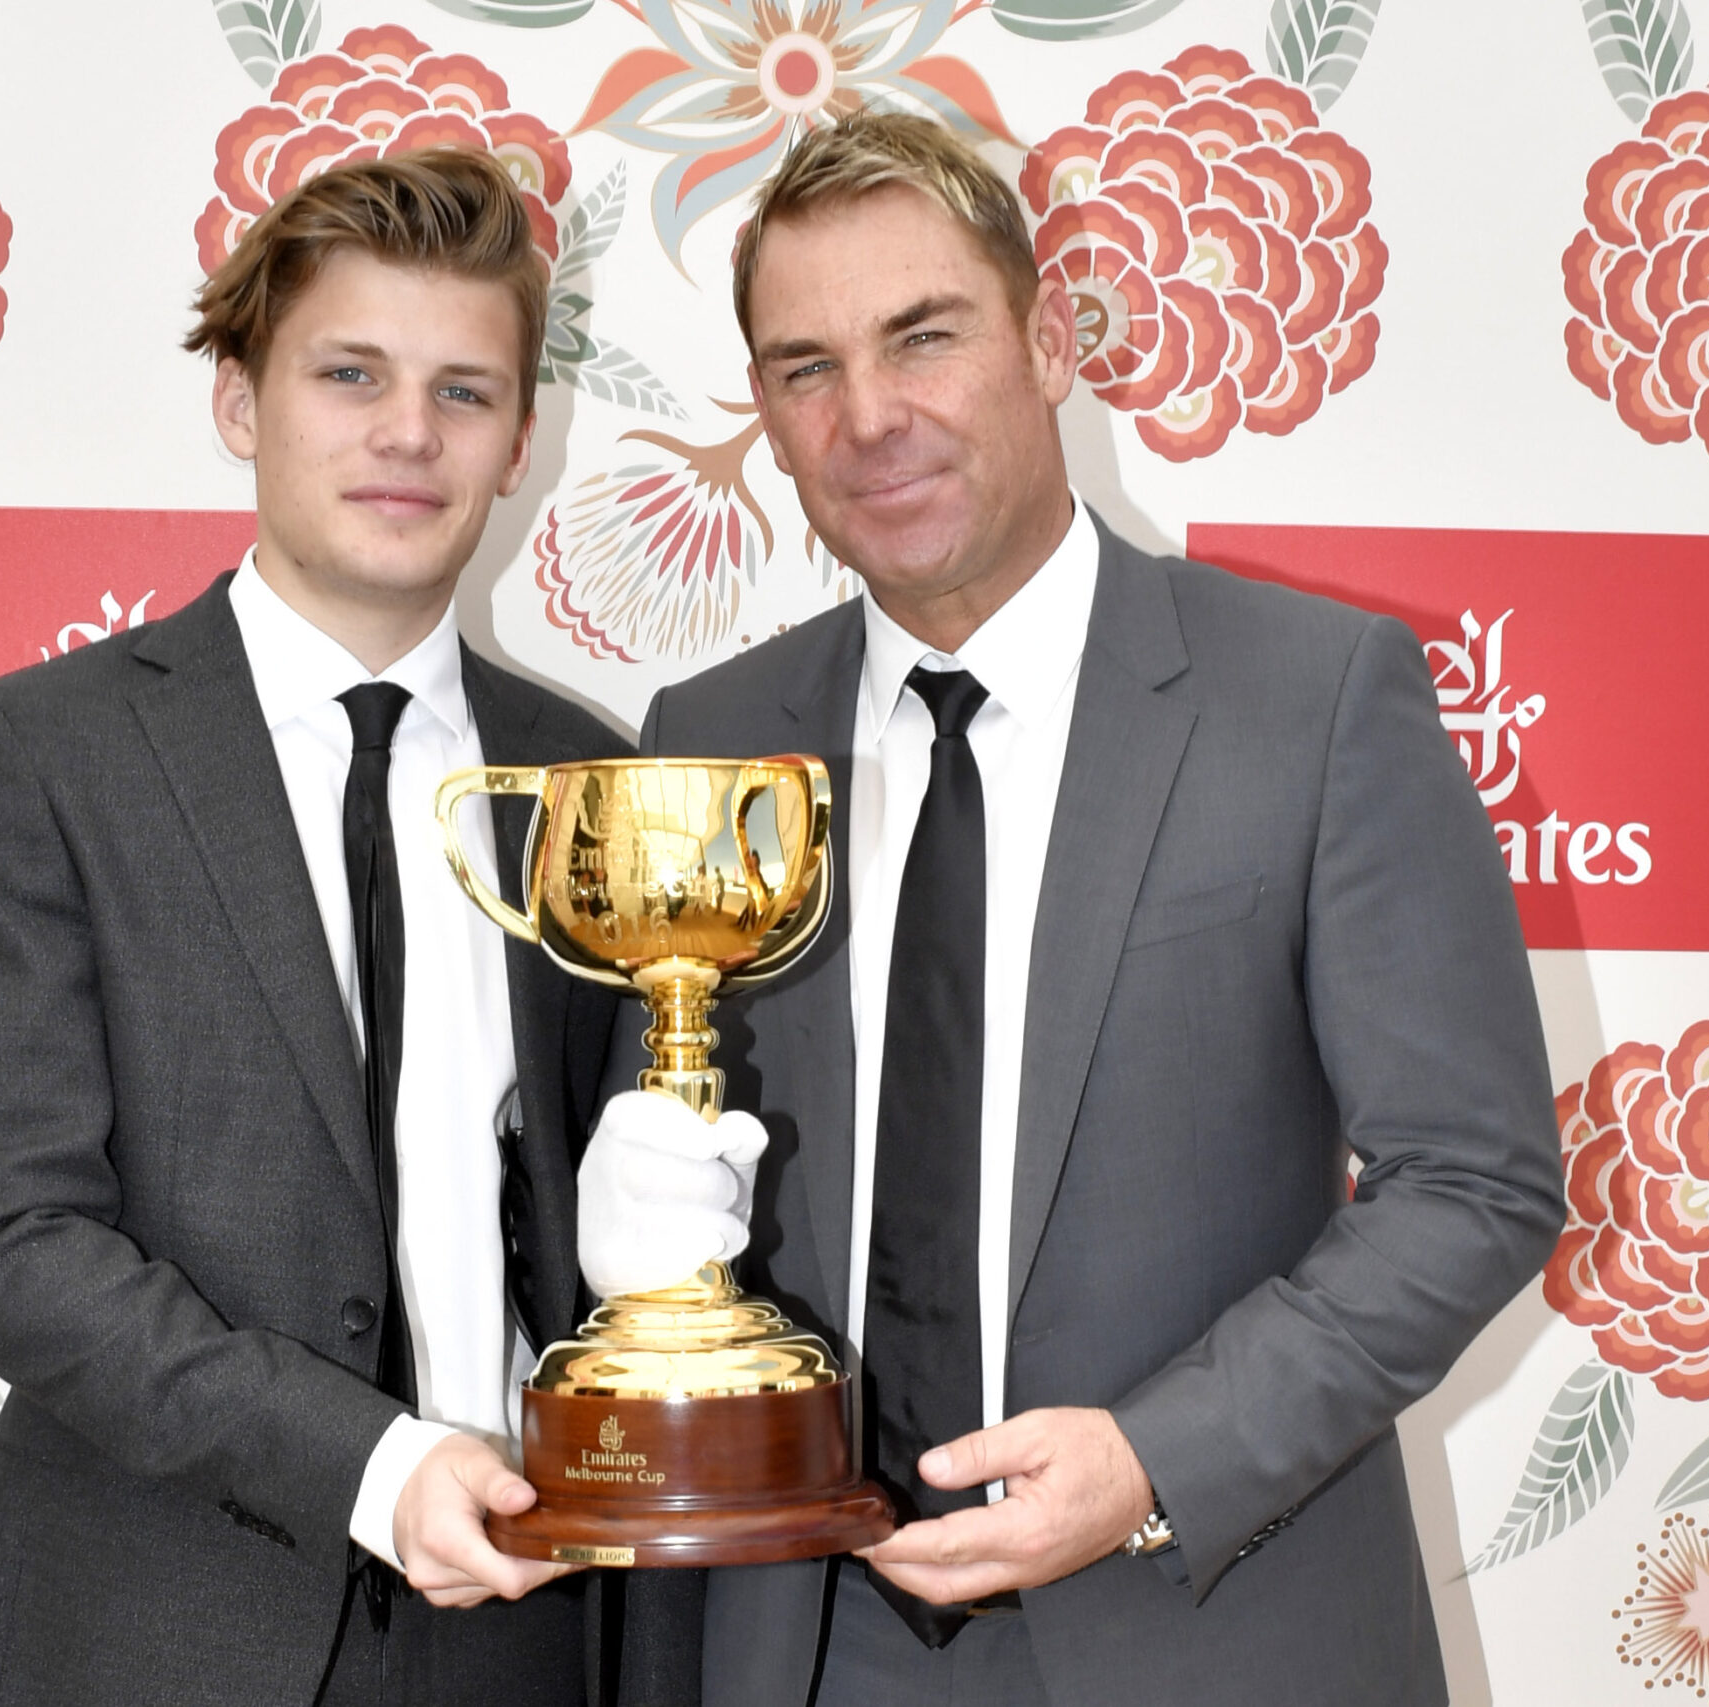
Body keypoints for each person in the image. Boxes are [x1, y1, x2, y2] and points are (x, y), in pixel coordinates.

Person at [576, 113, 1567, 1705]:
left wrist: (1155, 1462)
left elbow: (1475, 1179)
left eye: (924, 337)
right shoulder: (712, 738)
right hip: (811, 1646)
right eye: (807, 367)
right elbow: (667, 1195)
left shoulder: (1313, 700)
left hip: (1207, 1621)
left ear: (1049, 344)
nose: (870, 416)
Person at [0, 149, 636, 1706]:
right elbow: (6, 1241)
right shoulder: (37, 757)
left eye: (463, 391)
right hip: (146, 1630)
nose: (407, 433)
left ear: (520, 441)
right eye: (349, 373)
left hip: (524, 1631)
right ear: (241, 401)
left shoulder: (593, 781)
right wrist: (369, 1465)